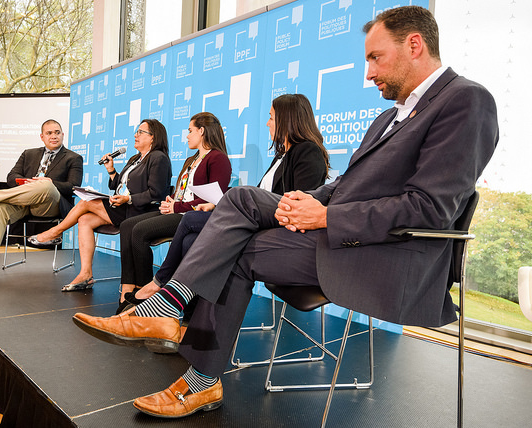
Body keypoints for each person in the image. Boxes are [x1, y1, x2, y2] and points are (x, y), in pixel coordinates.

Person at [72, 6, 499, 419]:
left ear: (414, 45)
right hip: (339, 234)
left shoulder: (466, 101)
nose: (368, 72)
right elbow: (346, 185)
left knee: (236, 249)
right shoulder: (390, 116)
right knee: (240, 199)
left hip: (387, 256)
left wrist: (327, 217)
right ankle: (171, 313)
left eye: (374, 57)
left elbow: (430, 209)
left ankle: (193, 364)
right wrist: (311, 201)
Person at [124, 93, 330, 309]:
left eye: (271, 117)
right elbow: (260, 194)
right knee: (189, 240)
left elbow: (297, 205)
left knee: (191, 219)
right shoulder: (281, 155)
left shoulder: (308, 152)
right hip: (254, 220)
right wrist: (217, 203)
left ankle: (160, 284)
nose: (267, 123)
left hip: (274, 231)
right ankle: (185, 312)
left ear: (287, 120)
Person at [28, 119, 172, 291]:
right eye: (136, 131)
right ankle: (85, 274)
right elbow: (120, 185)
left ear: (153, 138)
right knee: (85, 220)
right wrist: (111, 170)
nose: (135, 135)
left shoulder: (158, 158)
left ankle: (55, 232)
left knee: (86, 202)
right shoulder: (136, 158)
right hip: (124, 206)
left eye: (140, 132)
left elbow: (156, 193)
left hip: (140, 211)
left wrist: (129, 199)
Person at [113, 112, 232, 313]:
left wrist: (177, 207)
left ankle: (146, 292)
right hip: (178, 211)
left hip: (190, 216)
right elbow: (183, 192)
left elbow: (213, 199)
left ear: (202, 131)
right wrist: (172, 201)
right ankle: (134, 286)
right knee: (127, 226)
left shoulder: (218, 159)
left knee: (140, 231)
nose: (187, 136)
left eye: (190, 131)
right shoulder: (191, 160)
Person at [0, 119, 83, 286]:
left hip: (50, 205)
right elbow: (11, 177)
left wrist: (49, 182)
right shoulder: (28, 153)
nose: (54, 136)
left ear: (63, 135)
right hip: (23, 202)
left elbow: (73, 187)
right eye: (49, 133)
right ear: (42, 137)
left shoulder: (73, 158)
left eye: (57, 132)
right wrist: (25, 182)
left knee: (45, 185)